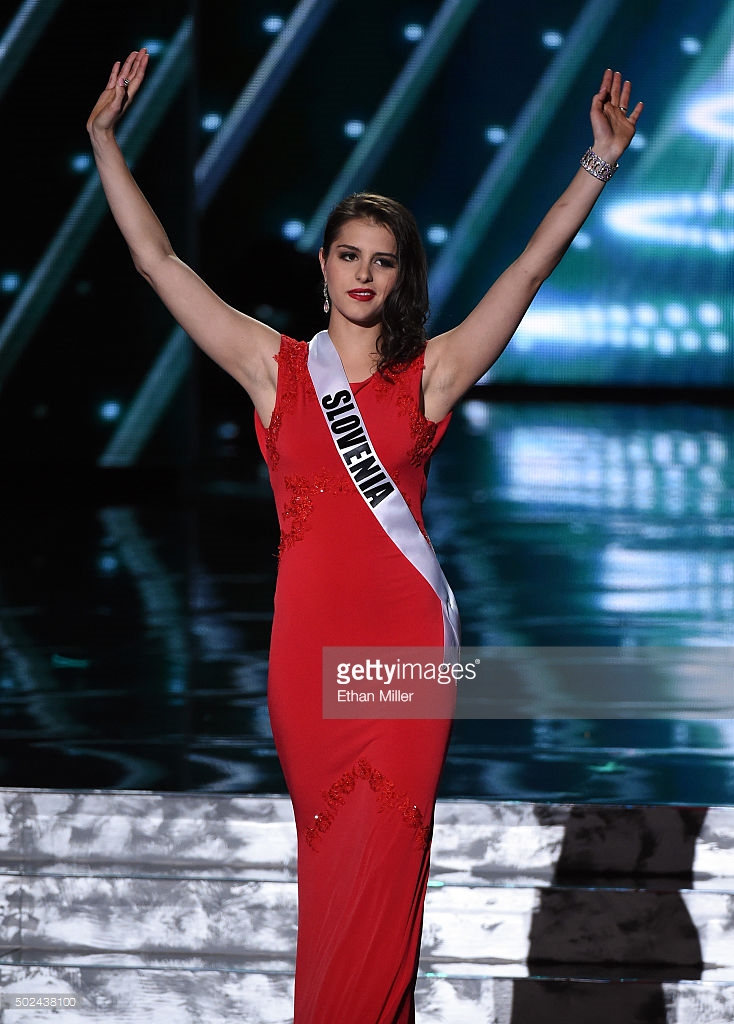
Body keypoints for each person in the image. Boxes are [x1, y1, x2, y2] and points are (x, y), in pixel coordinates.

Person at [87, 50, 642, 1024]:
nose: (363, 274)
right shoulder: (271, 369)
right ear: (323, 265)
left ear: (401, 276)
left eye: (382, 260)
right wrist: (102, 139)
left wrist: (593, 166)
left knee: (384, 866)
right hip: (308, 661)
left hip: (399, 665)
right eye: (349, 255)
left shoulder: (429, 374)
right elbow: (158, 262)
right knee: (331, 868)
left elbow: (527, 267)